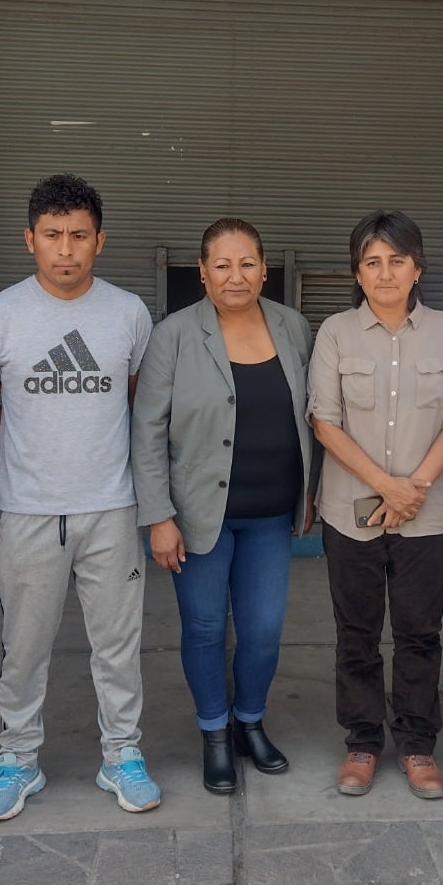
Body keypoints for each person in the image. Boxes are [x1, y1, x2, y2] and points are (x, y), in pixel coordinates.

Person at [0, 175, 160, 819]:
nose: (66, 249)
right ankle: (18, 758)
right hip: (29, 508)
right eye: (52, 235)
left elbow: (134, 402)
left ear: (100, 241)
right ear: (30, 240)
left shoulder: (129, 313)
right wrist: (32, 454)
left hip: (112, 505)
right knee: (23, 645)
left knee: (118, 644)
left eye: (79, 235)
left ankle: (122, 754)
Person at [131, 218, 315, 795]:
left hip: (271, 513)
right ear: (203, 272)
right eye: (222, 265)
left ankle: (249, 723)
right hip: (195, 516)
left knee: (263, 629)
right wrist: (158, 516)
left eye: (247, 264)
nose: (236, 276)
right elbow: (146, 431)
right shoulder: (173, 335)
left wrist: (311, 492)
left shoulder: (293, 327)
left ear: (264, 270)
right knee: (206, 628)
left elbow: (314, 415)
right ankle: (214, 732)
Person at [308, 212, 443, 799]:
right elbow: (324, 421)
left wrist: (412, 488)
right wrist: (387, 485)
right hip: (350, 511)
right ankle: (362, 741)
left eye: (396, 261)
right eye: (372, 262)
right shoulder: (335, 333)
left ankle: (417, 743)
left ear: (417, 268)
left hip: (426, 513)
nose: (384, 274)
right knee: (356, 632)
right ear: (357, 272)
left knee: (420, 632)